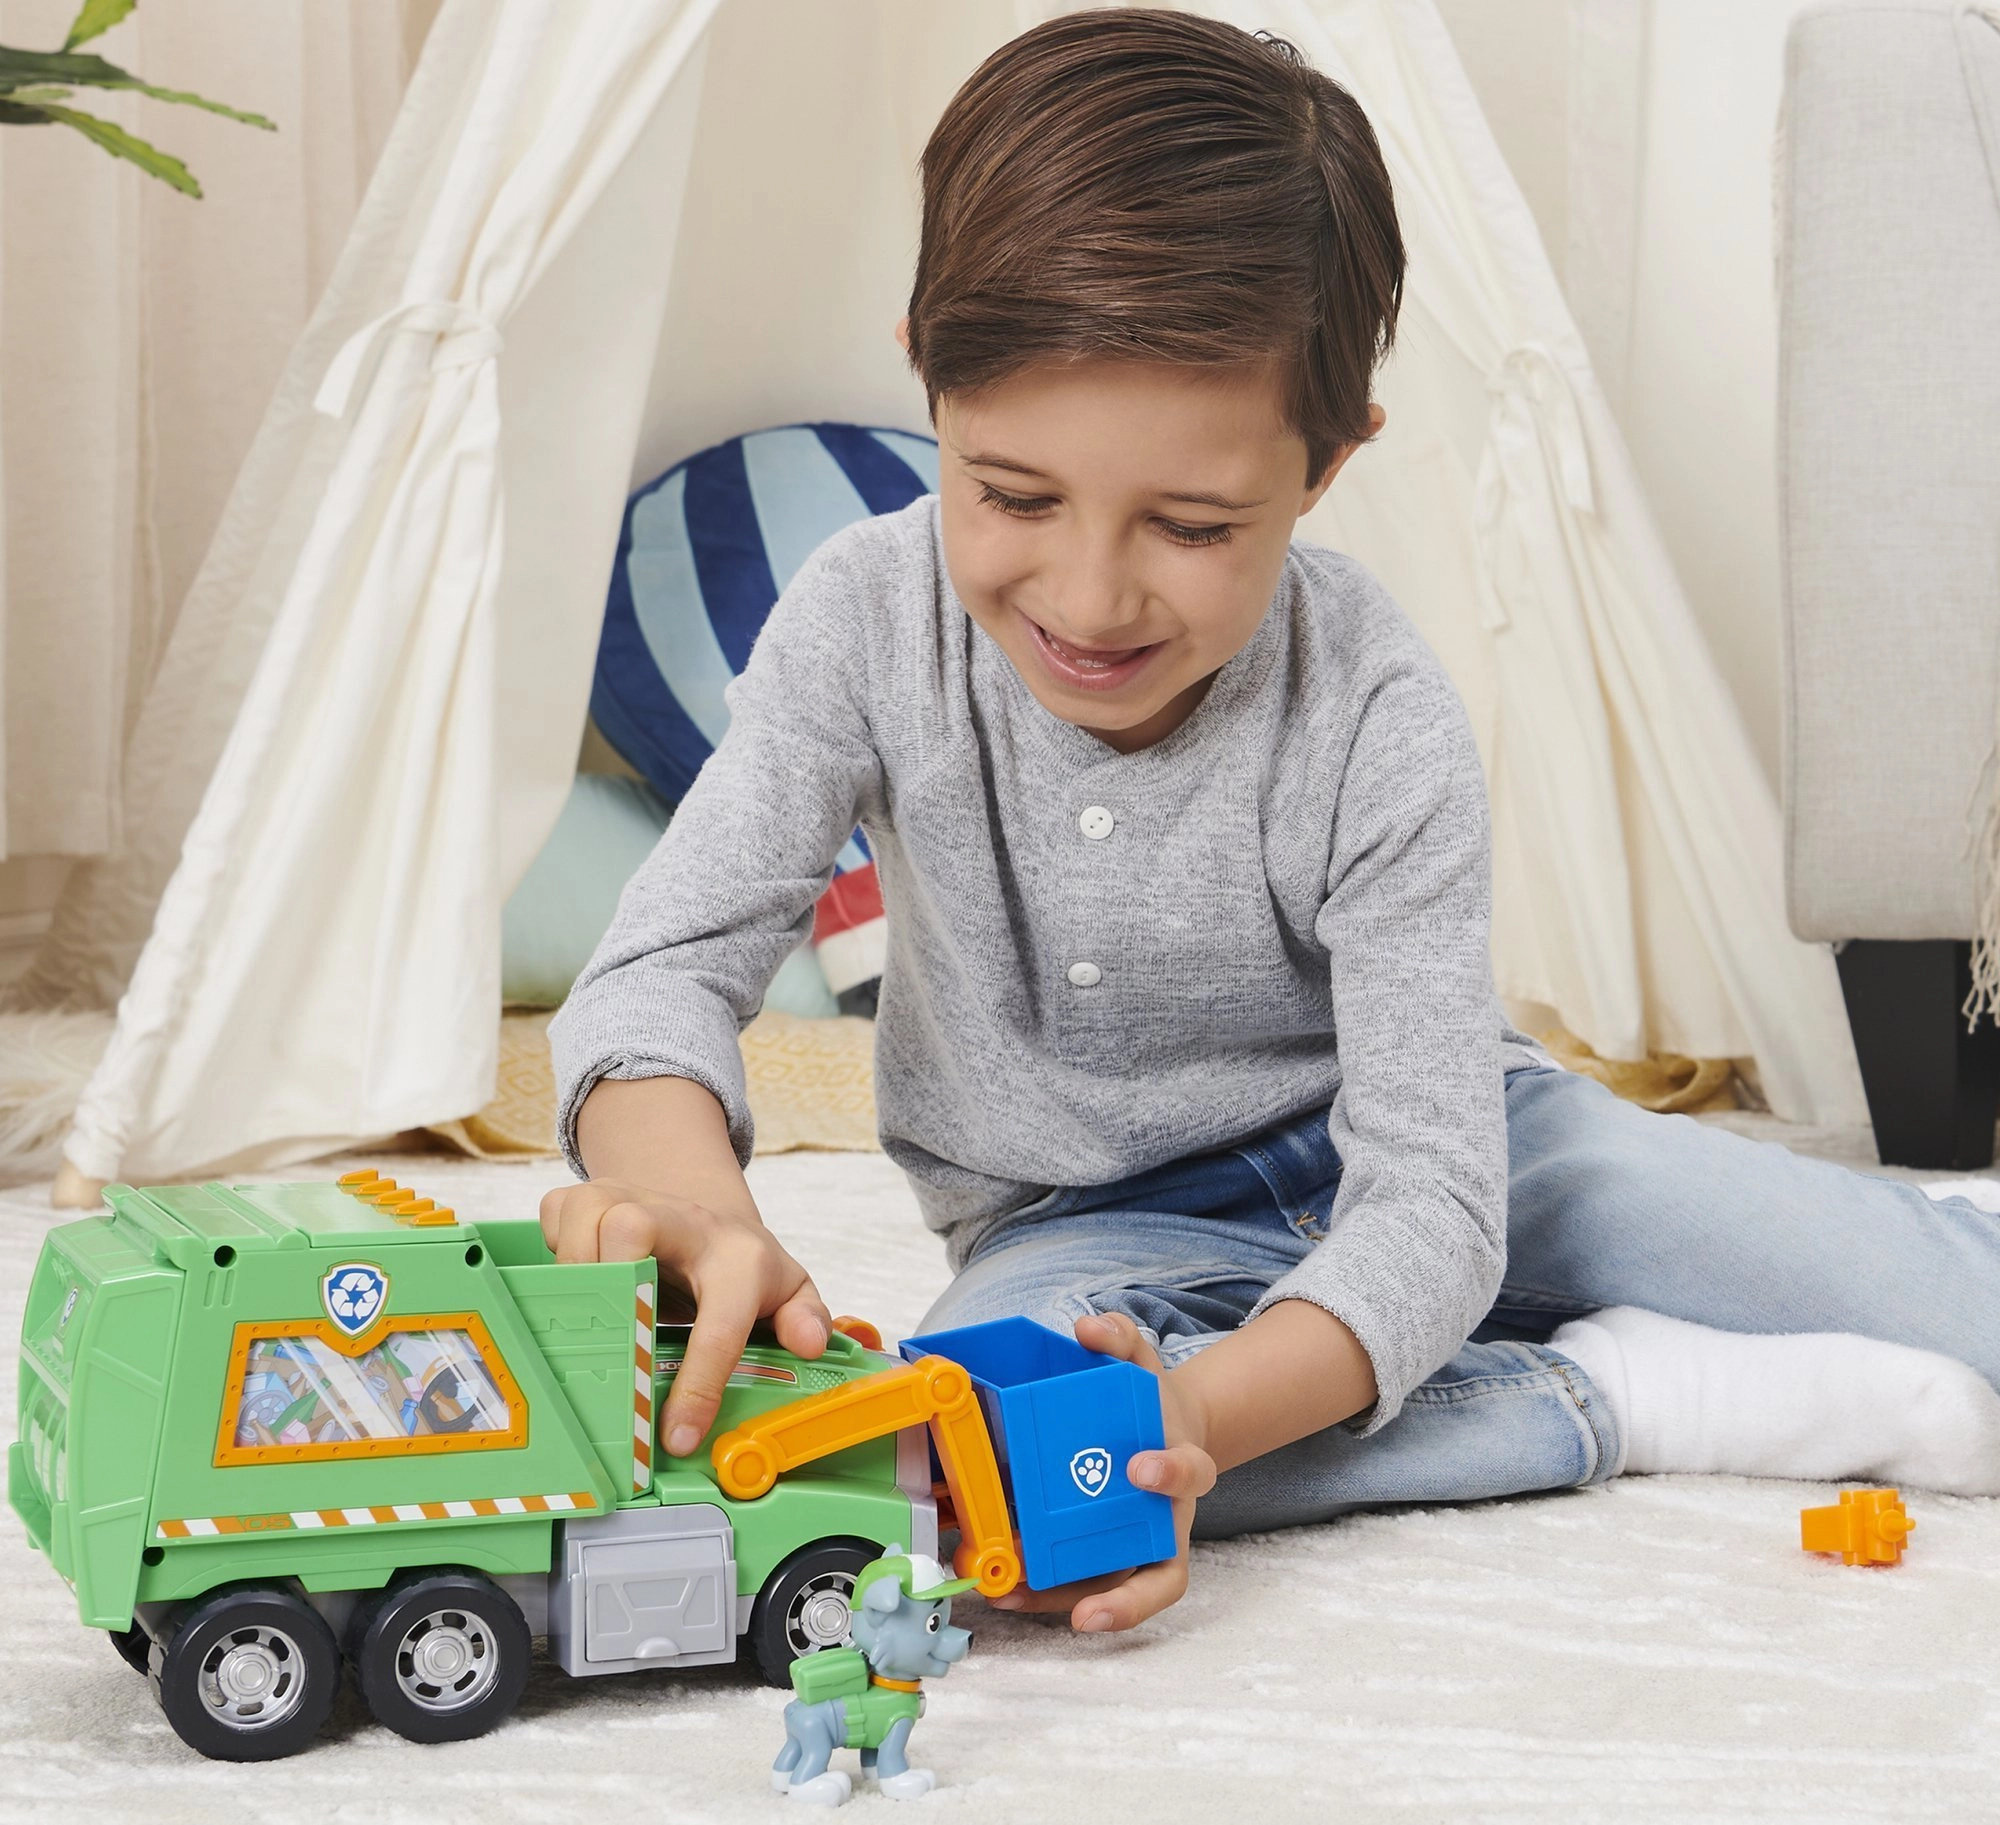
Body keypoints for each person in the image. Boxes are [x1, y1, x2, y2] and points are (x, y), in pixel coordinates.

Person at [545, 9, 2000, 1636]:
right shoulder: (858, 622)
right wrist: (698, 1210)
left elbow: (1434, 1201)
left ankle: (1808, 1281)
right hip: (1078, 1227)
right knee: (984, 1472)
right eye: (1012, 495)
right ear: (928, 380)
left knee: (1956, 1314)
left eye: (1190, 525)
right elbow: (657, 976)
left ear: (1324, 466)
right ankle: (1622, 1398)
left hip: (1484, 1154)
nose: (1088, 596)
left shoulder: (1377, 706)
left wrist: (1211, 1416)